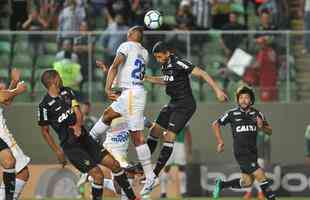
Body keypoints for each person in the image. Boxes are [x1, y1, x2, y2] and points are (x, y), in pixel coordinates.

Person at [37, 69, 139, 200]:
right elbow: (45, 132)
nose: (61, 79)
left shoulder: (67, 91)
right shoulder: (44, 106)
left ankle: (132, 198)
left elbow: (77, 111)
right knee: (98, 175)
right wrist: (58, 151)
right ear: (55, 80)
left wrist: (78, 126)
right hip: (71, 146)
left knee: (115, 164)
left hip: (85, 139)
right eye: (59, 77)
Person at [142, 41, 227, 196]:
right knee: (154, 131)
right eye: (156, 57)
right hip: (173, 103)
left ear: (167, 53)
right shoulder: (165, 65)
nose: (158, 59)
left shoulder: (179, 62)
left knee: (169, 136)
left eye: (160, 56)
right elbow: (166, 80)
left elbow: (202, 73)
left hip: (185, 105)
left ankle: (153, 176)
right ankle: (144, 168)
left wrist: (218, 91)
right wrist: (147, 78)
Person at [89, 26, 157, 198]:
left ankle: (150, 176)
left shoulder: (126, 46)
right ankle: (88, 142)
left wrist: (107, 86)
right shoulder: (144, 53)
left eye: (130, 31)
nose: (128, 33)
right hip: (132, 93)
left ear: (132, 35)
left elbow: (115, 66)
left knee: (137, 137)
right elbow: (127, 74)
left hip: (131, 94)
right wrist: (108, 72)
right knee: (107, 115)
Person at [211, 85, 276, 200]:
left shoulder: (258, 114)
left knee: (247, 182)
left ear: (251, 100)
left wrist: (261, 127)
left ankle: (221, 184)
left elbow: (269, 131)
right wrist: (220, 141)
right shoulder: (231, 113)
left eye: (246, 97)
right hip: (241, 152)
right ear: (238, 100)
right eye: (241, 97)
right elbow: (215, 124)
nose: (243, 100)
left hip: (253, 152)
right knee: (261, 177)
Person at [0, 69, 29, 200]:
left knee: (16, 167)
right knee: (21, 172)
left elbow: (6, 100)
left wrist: (14, 82)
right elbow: (3, 97)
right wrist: (18, 89)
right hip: (2, 134)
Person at [159, 123, 192, 199]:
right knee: (166, 168)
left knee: (182, 168)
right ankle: (163, 192)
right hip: (168, 143)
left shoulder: (185, 117)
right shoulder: (167, 115)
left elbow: (188, 134)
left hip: (180, 144)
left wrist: (189, 149)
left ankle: (183, 192)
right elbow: (162, 132)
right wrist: (162, 146)